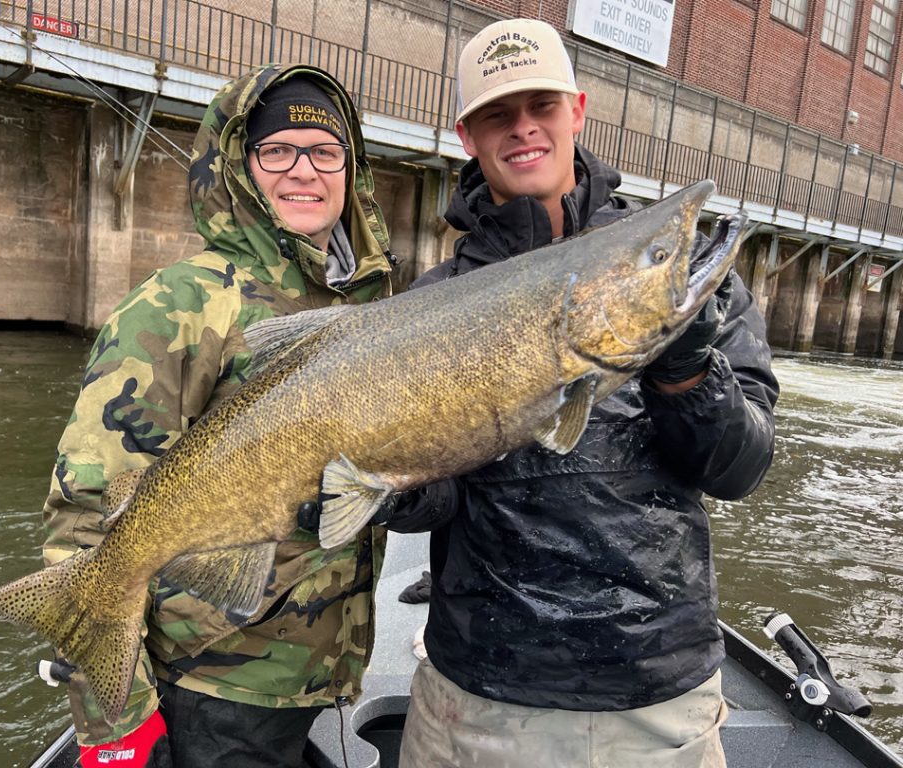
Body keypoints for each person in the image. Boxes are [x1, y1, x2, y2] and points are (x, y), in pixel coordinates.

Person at [393, 18, 780, 768]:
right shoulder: (432, 302)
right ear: (467, 136)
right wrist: (389, 489)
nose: (524, 128)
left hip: (653, 704)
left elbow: (741, 470)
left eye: (541, 105)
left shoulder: (682, 275)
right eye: (497, 114)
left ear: (578, 108)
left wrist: (687, 371)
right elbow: (439, 502)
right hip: (478, 696)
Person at [42, 64, 397, 768]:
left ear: (351, 171)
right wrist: (114, 719)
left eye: (326, 152)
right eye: (278, 151)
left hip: (308, 682)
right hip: (210, 685)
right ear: (239, 163)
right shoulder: (182, 300)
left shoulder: (359, 306)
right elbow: (86, 514)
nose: (304, 170)